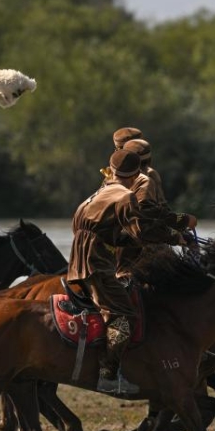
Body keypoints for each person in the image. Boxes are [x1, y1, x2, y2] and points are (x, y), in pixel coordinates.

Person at [68, 149, 185, 394]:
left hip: (77, 260)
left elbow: (104, 234)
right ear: (136, 175)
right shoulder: (125, 197)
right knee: (123, 313)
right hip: (96, 264)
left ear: (112, 170)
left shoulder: (98, 194)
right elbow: (143, 231)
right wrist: (177, 235)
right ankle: (108, 374)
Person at [116, 138, 197, 274]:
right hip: (137, 247)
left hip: (115, 245)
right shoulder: (147, 179)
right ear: (150, 160)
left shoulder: (112, 179)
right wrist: (182, 223)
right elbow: (150, 214)